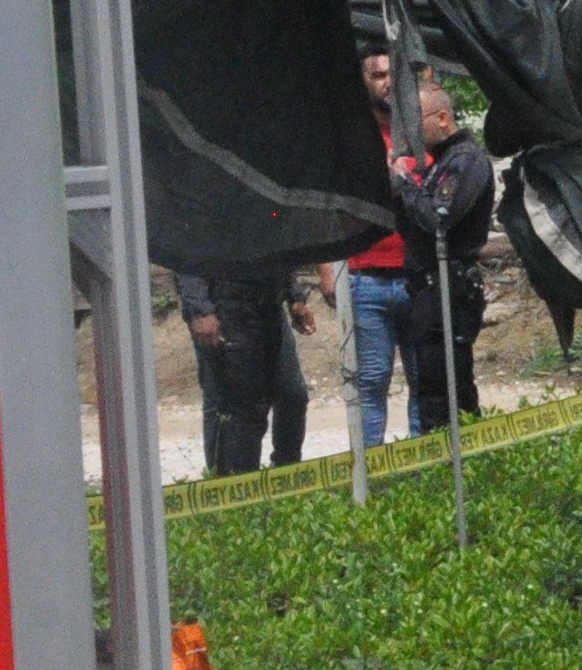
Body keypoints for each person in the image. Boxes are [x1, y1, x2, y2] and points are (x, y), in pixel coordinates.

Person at [392, 77, 495, 430]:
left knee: (449, 388)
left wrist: (406, 183)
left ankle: (463, 465)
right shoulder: (440, 162)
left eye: (416, 121)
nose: (412, 133)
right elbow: (414, 229)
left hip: (449, 291)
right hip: (429, 292)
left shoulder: (465, 160)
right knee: (431, 385)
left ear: (441, 118)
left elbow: (438, 218)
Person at [174, 267, 312, 474]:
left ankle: (287, 480)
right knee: (240, 408)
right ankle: (231, 486)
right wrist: (200, 309)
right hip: (222, 308)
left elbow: (277, 245)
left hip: (268, 306)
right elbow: (187, 253)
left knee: (292, 395)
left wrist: (294, 295)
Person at [343, 50, 413, 447]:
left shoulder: (418, 135)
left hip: (415, 274)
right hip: (365, 275)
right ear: (364, 81)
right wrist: (328, 270)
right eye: (377, 75)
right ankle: (370, 473)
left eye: (392, 73)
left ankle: (427, 471)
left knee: (425, 381)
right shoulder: (356, 137)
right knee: (370, 381)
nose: (387, 82)